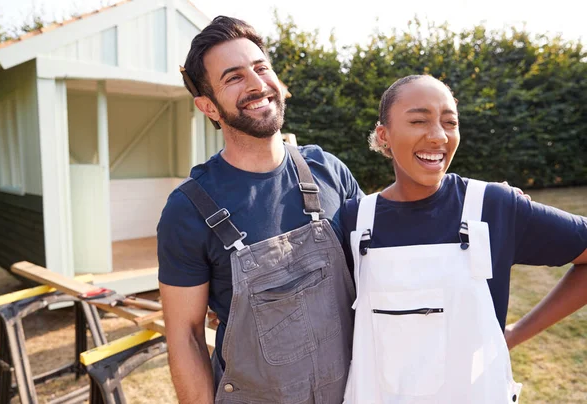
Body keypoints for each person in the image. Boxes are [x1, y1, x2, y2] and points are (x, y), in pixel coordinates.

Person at [341, 74, 587, 403]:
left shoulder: (494, 206)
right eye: (418, 120)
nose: (438, 136)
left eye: (450, 122)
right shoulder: (354, 220)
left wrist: (511, 335)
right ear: (384, 136)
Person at [157, 16, 362, 403]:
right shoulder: (187, 210)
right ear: (209, 107)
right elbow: (184, 336)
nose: (256, 84)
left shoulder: (329, 172)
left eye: (261, 68)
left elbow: (380, 268)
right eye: (233, 77)